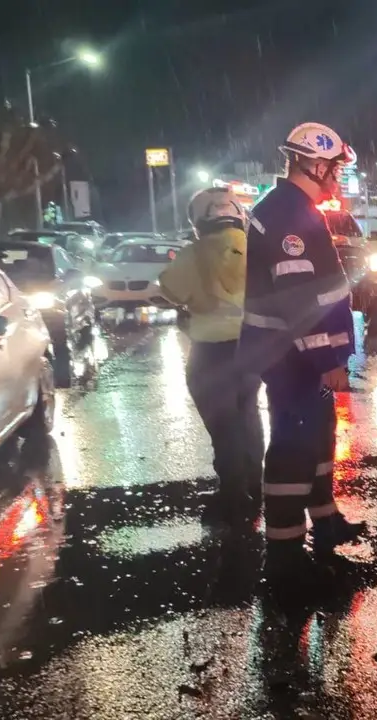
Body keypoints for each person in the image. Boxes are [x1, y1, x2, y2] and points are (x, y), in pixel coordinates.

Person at [238, 122, 365, 583]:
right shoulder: (289, 214)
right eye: (334, 168)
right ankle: (285, 556)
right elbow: (298, 301)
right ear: (313, 163)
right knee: (293, 449)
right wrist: (326, 360)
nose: (338, 177)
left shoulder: (296, 208)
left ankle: (325, 522)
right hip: (291, 359)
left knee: (318, 437)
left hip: (295, 357)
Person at [159, 188, 263, 526]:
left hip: (209, 351)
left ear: (200, 220)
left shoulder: (193, 254)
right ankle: (255, 484)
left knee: (223, 423)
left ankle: (233, 493)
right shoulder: (255, 248)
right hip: (251, 347)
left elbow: (170, 291)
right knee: (247, 414)